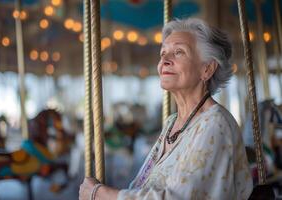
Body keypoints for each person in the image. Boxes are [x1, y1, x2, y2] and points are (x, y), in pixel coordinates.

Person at [79, 18, 253, 200]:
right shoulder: (173, 122)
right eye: (163, 53)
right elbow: (143, 184)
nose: (165, 60)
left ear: (207, 69)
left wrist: (101, 194)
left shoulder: (214, 124)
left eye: (178, 52)